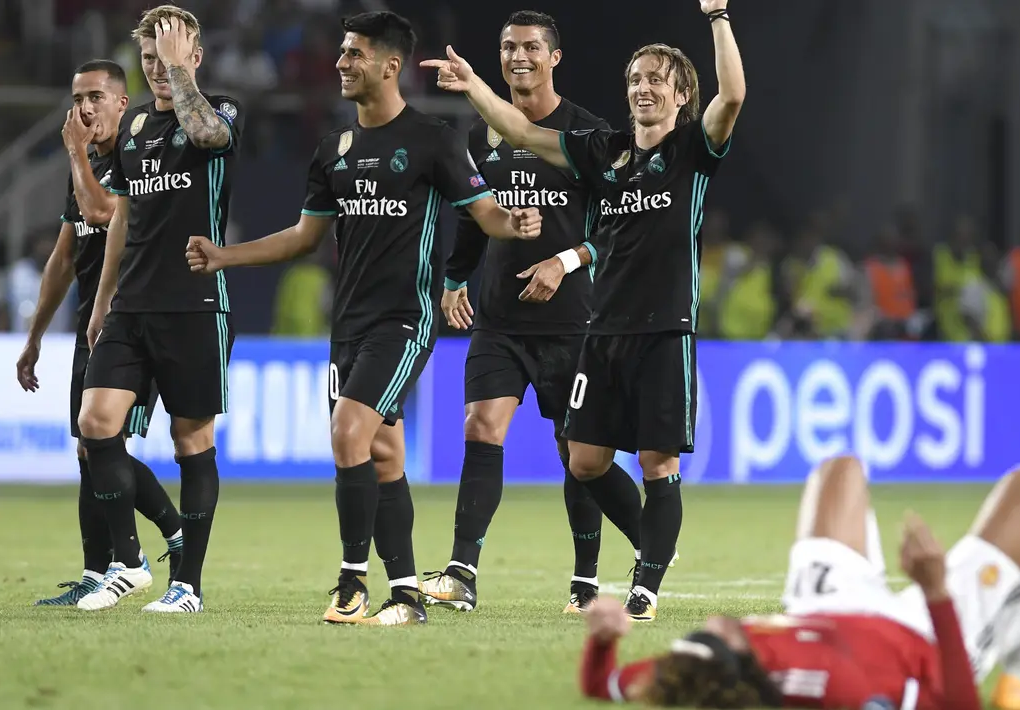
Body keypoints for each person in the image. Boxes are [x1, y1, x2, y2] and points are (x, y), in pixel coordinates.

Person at [184, 11, 541, 626]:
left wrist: (518, 223)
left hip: (407, 320)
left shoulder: (433, 139)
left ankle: (351, 584)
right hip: (347, 327)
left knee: (348, 432)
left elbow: (486, 215)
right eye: (343, 53)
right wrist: (224, 257)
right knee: (381, 457)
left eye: (354, 54)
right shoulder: (335, 148)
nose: (342, 63)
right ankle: (406, 595)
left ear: (389, 64)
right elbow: (303, 237)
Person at [423, 0, 744, 621]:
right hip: (601, 334)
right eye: (635, 79)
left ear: (682, 96)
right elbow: (521, 133)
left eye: (656, 79)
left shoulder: (691, 152)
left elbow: (731, 96)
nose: (642, 87)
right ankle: (649, 545)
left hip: (661, 330)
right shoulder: (604, 149)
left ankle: (643, 586)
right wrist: (473, 87)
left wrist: (718, 18)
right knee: (585, 460)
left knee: (658, 461)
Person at [420, 10, 644, 616]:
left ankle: (588, 581)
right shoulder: (475, 139)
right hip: (498, 321)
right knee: (480, 426)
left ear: (555, 58)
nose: (518, 57)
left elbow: (620, 228)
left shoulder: (588, 136)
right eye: (508, 47)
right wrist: (453, 279)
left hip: (575, 323)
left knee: (578, 454)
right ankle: (462, 574)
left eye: (530, 48)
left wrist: (566, 262)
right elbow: (470, 215)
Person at [577, 456, 1020, 710]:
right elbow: (956, 703)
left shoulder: (702, 675)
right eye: (718, 633)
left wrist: (604, 641)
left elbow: (602, 686)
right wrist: (936, 594)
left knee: (839, 471)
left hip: (823, 608)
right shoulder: (841, 686)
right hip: (917, 633)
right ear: (741, 656)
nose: (715, 622)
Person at [74, 5, 244, 614]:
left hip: (196, 306)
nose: (155, 70)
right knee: (95, 426)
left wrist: (180, 77)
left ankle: (188, 585)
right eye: (147, 59)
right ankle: (127, 563)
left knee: (189, 440)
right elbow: (121, 215)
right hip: (131, 307)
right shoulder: (137, 123)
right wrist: (101, 302)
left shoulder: (220, 111)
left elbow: (205, 137)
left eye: (166, 57)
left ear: (195, 58)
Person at [16, 59, 184, 607]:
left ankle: (145, 552)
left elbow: (106, 212)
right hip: (93, 325)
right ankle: (102, 568)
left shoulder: (141, 157)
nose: (83, 109)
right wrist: (35, 336)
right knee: (88, 451)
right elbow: (65, 257)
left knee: (101, 443)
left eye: (94, 96)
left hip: (137, 325)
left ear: (121, 101)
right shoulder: (86, 165)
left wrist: (73, 155)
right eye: (77, 98)